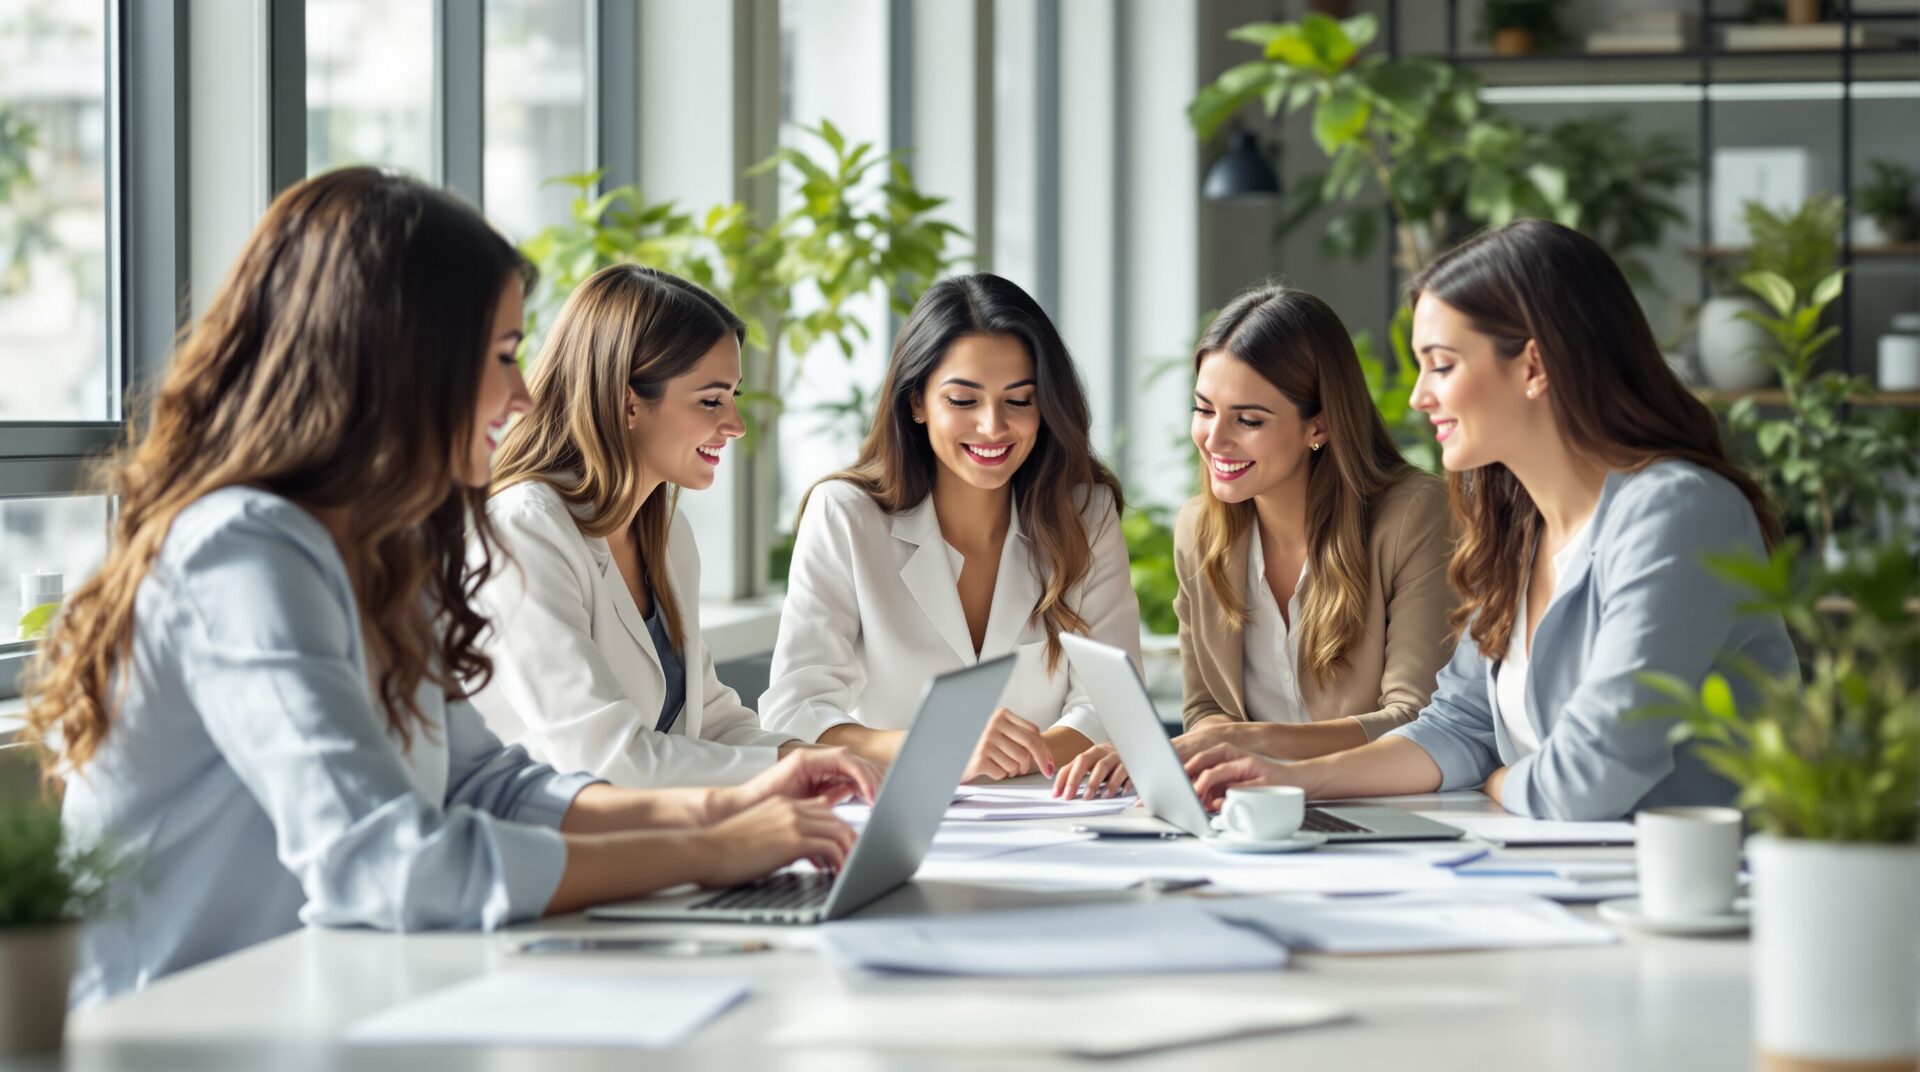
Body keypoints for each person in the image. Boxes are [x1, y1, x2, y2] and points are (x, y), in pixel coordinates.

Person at [26, 169, 876, 1009]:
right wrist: (710, 851)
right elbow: (385, 864)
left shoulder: (382, 548)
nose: (525, 391)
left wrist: (726, 807)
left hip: (327, 999)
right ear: (401, 359)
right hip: (188, 1029)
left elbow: (484, 785)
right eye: (502, 355)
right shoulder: (242, 551)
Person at [1183, 220, 1797, 822]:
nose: (1420, 396)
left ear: (1533, 367)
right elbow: (1460, 724)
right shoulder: (1518, 527)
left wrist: (1499, 782)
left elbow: (1586, 780)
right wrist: (1290, 782)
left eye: (1442, 365)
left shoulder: (1677, 512)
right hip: (1556, 879)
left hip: (1688, 893)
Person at [1055, 286, 1455, 799]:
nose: (1214, 439)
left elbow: (1418, 720)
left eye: (1248, 420)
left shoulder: (1414, 515)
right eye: (1204, 409)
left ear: (1320, 425)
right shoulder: (1199, 531)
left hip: (1381, 807)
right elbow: (1205, 711)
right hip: (1251, 812)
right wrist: (1189, 756)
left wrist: (1248, 742)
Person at [759, 272, 1141, 780]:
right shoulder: (845, 515)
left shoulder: (1084, 514)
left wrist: (1022, 754)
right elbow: (795, 711)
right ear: (916, 401)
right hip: (888, 810)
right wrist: (939, 746)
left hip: (1050, 811)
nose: (992, 426)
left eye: (1019, 401)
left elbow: (1115, 703)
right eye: (963, 401)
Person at [471, 264, 810, 787]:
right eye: (710, 400)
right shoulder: (525, 530)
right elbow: (604, 759)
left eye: (733, 397)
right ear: (629, 402)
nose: (736, 426)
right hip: (549, 852)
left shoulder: (668, 537)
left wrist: (833, 764)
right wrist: (795, 770)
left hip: (658, 842)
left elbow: (714, 725)